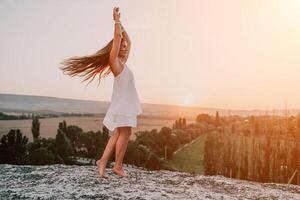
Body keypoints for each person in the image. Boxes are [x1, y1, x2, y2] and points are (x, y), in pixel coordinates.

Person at [59, 7, 142, 178]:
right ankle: (116, 166)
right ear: (115, 48)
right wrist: (116, 21)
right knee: (123, 133)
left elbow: (129, 41)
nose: (125, 48)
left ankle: (104, 162)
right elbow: (119, 38)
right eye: (122, 47)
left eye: (126, 47)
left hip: (124, 103)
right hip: (122, 104)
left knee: (120, 133)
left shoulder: (122, 62)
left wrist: (122, 25)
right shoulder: (115, 62)